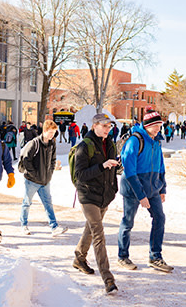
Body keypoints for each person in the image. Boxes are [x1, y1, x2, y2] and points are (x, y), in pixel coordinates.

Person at [117, 109, 174, 273]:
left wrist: (163, 187)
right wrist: (140, 195)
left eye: (160, 125)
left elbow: (160, 165)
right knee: (128, 222)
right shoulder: (135, 141)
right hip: (133, 189)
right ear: (147, 125)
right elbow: (129, 170)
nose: (158, 128)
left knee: (159, 218)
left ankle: (155, 257)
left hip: (153, 188)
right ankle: (122, 256)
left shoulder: (157, 141)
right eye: (155, 125)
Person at [72, 113, 119, 295]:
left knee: (90, 229)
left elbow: (110, 171)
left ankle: (79, 258)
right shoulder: (85, 146)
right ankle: (108, 280)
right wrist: (102, 166)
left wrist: (115, 169)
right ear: (94, 126)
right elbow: (80, 175)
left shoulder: (110, 144)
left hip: (104, 196)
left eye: (109, 127)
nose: (107, 129)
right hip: (88, 196)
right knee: (99, 235)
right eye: (104, 126)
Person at [19, 120, 68, 236]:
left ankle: (54, 227)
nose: (52, 135)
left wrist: (49, 173)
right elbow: (26, 160)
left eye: (54, 133)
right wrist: (34, 174)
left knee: (48, 204)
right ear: (44, 131)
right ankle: (24, 225)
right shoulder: (34, 143)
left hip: (45, 181)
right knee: (27, 203)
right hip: (31, 181)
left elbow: (53, 160)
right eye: (51, 132)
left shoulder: (52, 143)